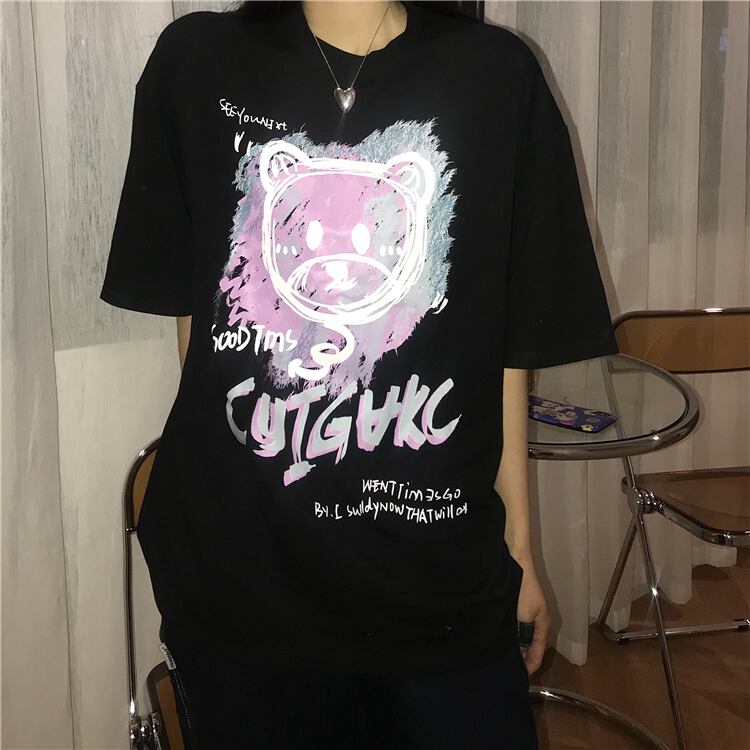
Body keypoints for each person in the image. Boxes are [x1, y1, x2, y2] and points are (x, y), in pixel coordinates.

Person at [101, 1, 619, 747]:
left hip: (440, 582)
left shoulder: (495, 77)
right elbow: (200, 332)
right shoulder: (195, 62)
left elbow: (503, 348)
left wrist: (521, 551)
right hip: (244, 582)